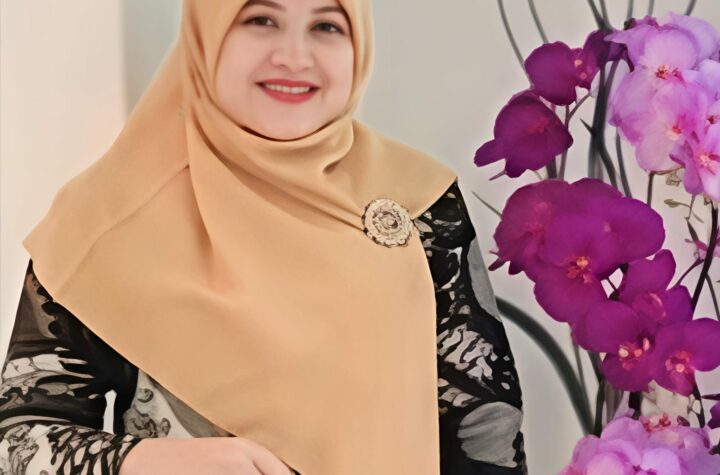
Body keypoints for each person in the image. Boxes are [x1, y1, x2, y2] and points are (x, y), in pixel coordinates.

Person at [0, 0, 527, 473]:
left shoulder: (420, 199)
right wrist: (148, 461)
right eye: (260, 19)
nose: (294, 57)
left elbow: (486, 428)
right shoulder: (109, 218)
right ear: (205, 35)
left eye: (326, 25)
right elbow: (19, 441)